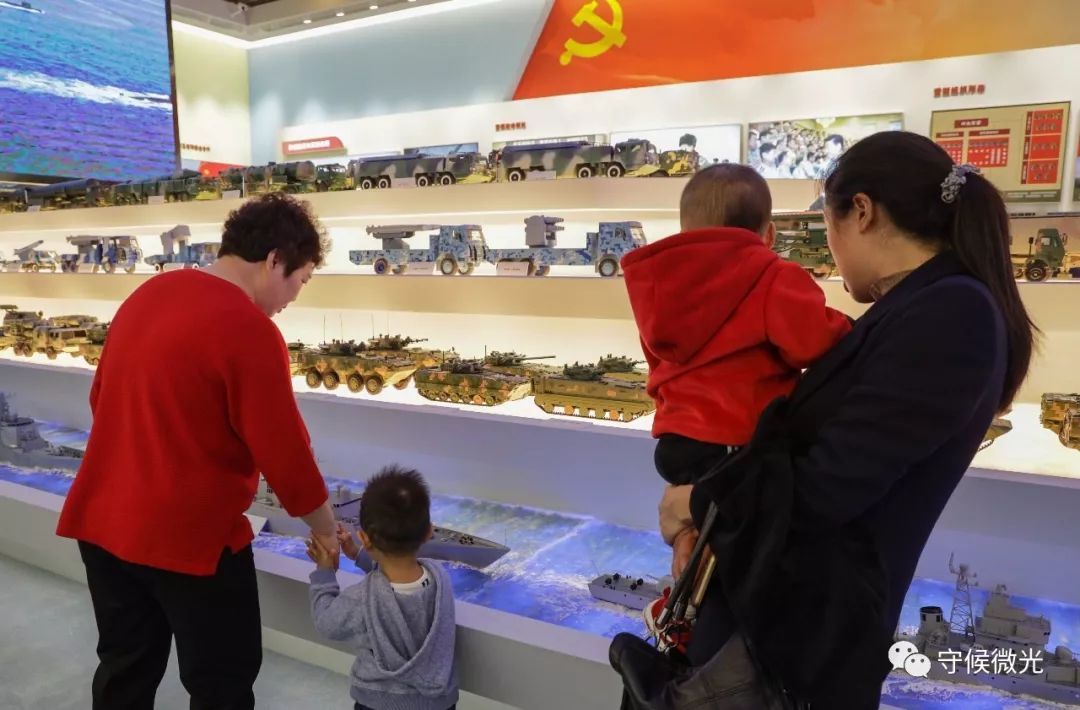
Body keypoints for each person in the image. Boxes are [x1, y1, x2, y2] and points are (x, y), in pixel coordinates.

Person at [631, 131, 1036, 708]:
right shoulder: (921, 305)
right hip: (787, 628)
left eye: (828, 225)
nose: (829, 247)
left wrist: (697, 503)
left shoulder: (953, 313)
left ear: (862, 212)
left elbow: (823, 490)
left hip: (803, 644)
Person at [55, 192, 340, 710]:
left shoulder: (147, 294)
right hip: (191, 543)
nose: (294, 297)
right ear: (275, 259)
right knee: (221, 685)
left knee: (124, 670)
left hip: (103, 523)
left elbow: (101, 400)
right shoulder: (250, 329)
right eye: (301, 280)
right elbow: (286, 456)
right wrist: (325, 527)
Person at [620, 164, 851, 595]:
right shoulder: (771, 275)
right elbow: (810, 343)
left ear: (685, 230)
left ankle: (687, 559)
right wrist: (850, 329)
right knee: (746, 555)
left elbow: (657, 360)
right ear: (768, 234)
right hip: (736, 444)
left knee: (703, 530)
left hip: (677, 443)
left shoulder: (659, 285)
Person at [307, 465, 459, 710]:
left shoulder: (360, 598)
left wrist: (325, 573)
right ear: (428, 532)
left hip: (378, 703)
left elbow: (327, 623)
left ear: (364, 537)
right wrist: (358, 555)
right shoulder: (441, 580)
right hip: (439, 702)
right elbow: (400, 581)